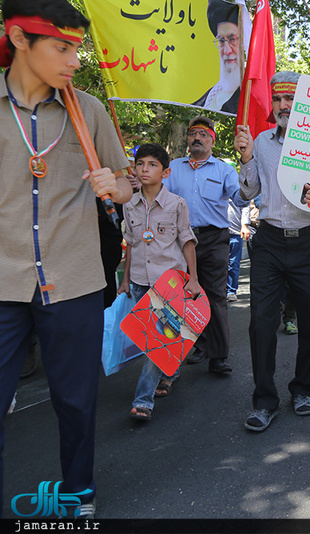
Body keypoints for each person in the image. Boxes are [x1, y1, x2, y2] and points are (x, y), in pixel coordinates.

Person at [0, 0, 132, 517]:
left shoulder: (89, 112)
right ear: (18, 38)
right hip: (4, 282)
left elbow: (126, 183)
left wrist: (115, 187)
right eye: (62, 47)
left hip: (73, 280)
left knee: (76, 402)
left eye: (78, 47)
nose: (75, 59)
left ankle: (79, 494)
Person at [234, 70, 310, 432]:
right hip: (270, 240)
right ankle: (264, 401)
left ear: (302, 103)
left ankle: (303, 390)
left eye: (290, 99)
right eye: (277, 99)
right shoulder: (260, 142)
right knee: (261, 321)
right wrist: (245, 158)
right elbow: (247, 192)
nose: (283, 105)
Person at [118, 143, 201, 421]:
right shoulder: (129, 203)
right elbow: (130, 243)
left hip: (170, 284)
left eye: (152, 164)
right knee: (149, 339)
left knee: (156, 340)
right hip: (141, 280)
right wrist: (125, 280)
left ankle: (143, 400)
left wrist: (194, 279)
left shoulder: (177, 204)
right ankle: (172, 370)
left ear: (165, 172)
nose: (144, 169)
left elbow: (187, 242)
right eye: (140, 163)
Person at [165, 115, 242, 374]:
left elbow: (241, 199)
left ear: (212, 140)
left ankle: (218, 357)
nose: (196, 138)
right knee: (181, 296)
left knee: (215, 296)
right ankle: (197, 345)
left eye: (203, 134)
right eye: (192, 133)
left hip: (213, 240)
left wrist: (249, 171)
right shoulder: (173, 168)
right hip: (178, 240)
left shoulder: (224, 170)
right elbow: (157, 194)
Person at [193, 0, 242, 114]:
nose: (227, 51)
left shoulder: (250, 96)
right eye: (221, 41)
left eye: (233, 39)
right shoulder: (204, 99)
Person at [226, 197, 250, 302]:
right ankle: (220, 290)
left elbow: (246, 206)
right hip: (219, 231)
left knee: (233, 263)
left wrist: (244, 225)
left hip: (235, 232)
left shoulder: (237, 187)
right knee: (218, 264)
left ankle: (231, 291)